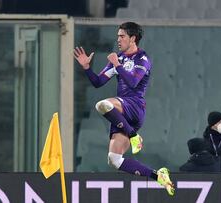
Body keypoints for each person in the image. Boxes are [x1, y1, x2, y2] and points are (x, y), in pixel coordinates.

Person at [73, 22, 175, 196]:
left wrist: (117, 65)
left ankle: (134, 136)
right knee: (114, 160)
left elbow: (134, 82)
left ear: (133, 38)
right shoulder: (117, 58)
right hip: (121, 114)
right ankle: (158, 176)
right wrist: (87, 68)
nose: (118, 39)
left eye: (122, 36)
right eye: (118, 36)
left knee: (102, 105)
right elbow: (98, 82)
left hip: (134, 106)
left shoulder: (142, 58)